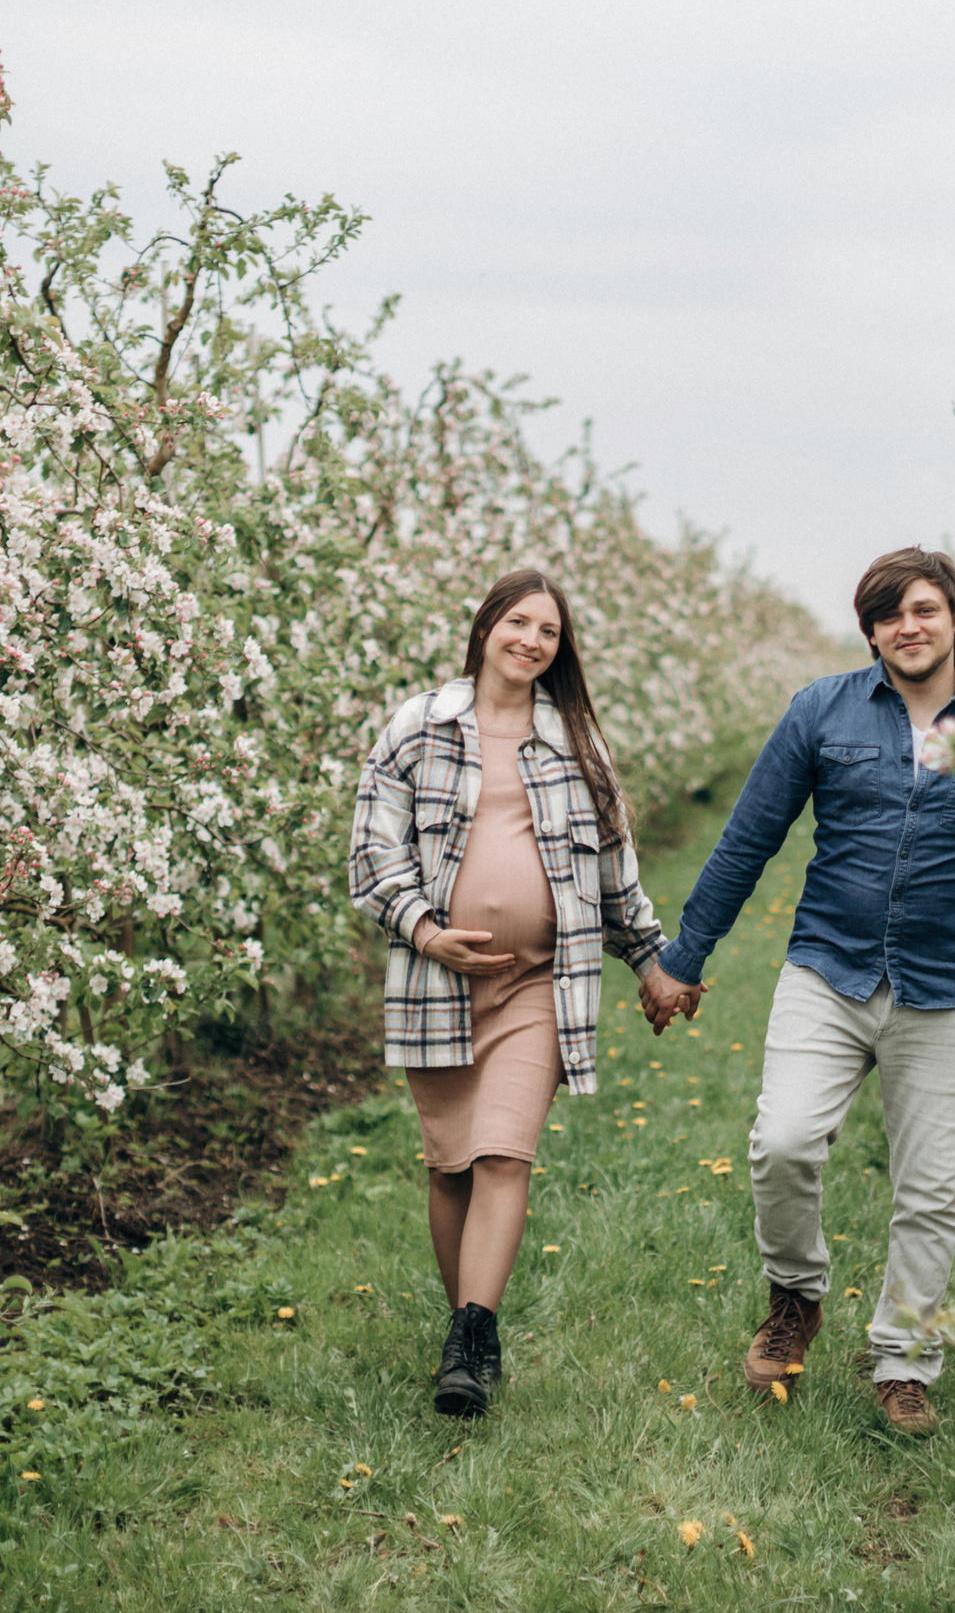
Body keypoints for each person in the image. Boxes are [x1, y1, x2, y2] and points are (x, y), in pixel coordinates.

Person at [644, 546, 955, 1436]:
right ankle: (796, 1294)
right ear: (869, 629)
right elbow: (749, 837)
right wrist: (684, 957)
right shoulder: (822, 711)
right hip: (827, 969)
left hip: (947, 988)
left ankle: (905, 1359)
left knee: (930, 1187)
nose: (905, 626)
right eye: (886, 614)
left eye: (922, 609)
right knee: (785, 1141)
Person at [348, 569, 690, 1416]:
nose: (532, 640)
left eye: (549, 631)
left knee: (504, 1152)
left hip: (542, 980)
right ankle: (465, 1331)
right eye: (519, 622)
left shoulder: (576, 743)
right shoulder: (416, 728)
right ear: (487, 626)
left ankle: (473, 1333)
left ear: (559, 650)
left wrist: (651, 958)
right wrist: (426, 929)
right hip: (436, 980)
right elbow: (371, 854)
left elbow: (614, 870)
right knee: (451, 1166)